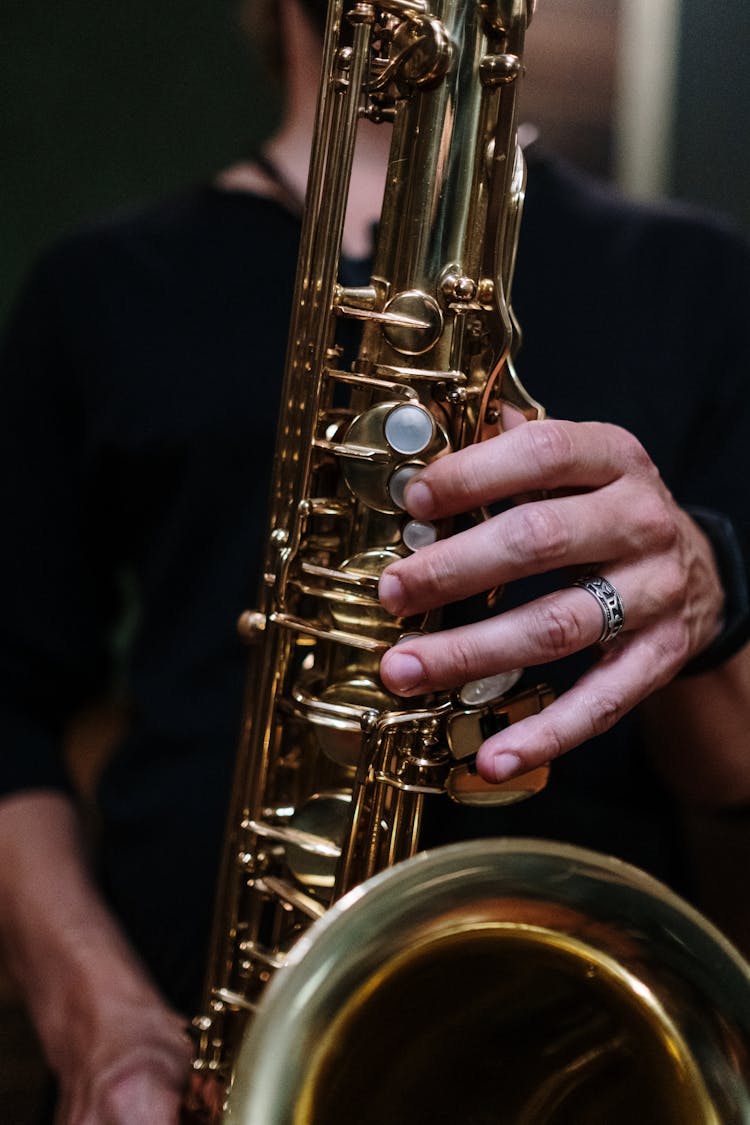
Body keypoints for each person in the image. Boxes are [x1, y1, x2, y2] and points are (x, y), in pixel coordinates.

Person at [1, 1, 749, 1122]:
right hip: (198, 1038)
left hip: (570, 1054)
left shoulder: (701, 275)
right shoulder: (95, 286)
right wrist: (94, 1015)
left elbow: (731, 770)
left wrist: (700, 582)